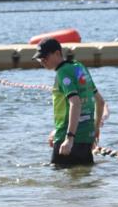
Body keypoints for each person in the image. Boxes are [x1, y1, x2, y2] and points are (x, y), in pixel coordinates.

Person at [34, 38, 106, 166]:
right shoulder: (80, 68)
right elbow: (100, 101)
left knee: (59, 181)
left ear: (57, 53)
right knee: (83, 179)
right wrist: (95, 129)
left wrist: (69, 138)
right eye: (40, 58)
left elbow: (75, 103)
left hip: (67, 139)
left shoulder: (62, 72)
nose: (42, 61)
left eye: (45, 57)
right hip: (86, 137)